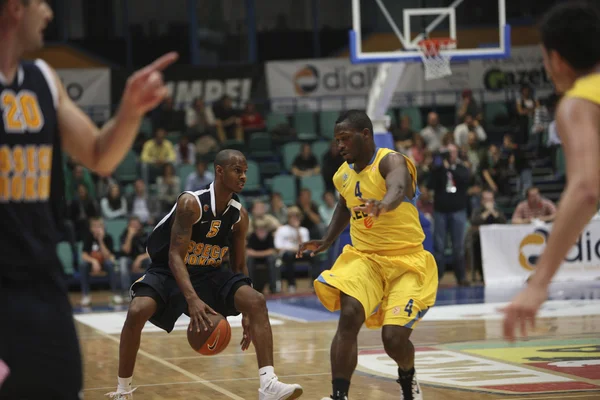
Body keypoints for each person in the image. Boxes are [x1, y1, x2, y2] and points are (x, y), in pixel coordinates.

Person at [0, 0, 177, 398]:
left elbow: (100, 155)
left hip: (41, 284)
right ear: (15, 8)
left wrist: (131, 110)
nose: (48, 13)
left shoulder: (42, 79)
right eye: (40, 4)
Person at [108, 150, 303, 400]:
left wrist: (247, 313)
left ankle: (268, 385)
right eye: (237, 170)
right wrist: (192, 299)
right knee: (137, 310)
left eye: (245, 171)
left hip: (208, 272)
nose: (243, 176)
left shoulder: (239, 215)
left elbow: (239, 265)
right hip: (168, 270)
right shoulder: (191, 203)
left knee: (257, 301)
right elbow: (174, 256)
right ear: (219, 171)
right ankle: (123, 391)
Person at [298, 110, 438, 400]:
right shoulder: (342, 174)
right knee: (348, 316)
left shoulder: (391, 161)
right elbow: (344, 206)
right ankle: (339, 396)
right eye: (337, 140)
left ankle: (408, 376)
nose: (340, 146)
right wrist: (325, 241)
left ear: (365, 134)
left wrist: (384, 205)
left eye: (345, 139)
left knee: (394, 339)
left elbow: (398, 187)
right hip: (365, 258)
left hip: (407, 261)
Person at [502, 1, 600, 342]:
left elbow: (586, 188)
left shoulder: (579, 101)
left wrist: (538, 282)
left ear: (556, 59)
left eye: (544, 59)